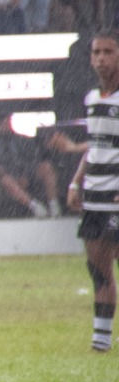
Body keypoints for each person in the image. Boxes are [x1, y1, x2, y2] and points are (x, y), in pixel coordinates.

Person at [65, 30, 119, 353]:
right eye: (96, 52)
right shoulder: (91, 99)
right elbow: (95, 148)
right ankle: (101, 342)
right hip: (95, 198)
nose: (101, 58)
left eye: (108, 52)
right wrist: (76, 182)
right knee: (97, 270)